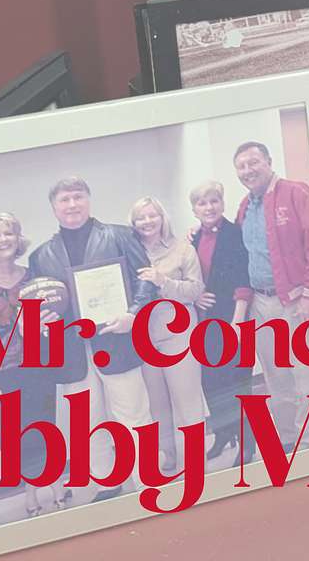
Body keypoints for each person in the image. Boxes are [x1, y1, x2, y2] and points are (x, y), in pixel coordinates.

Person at [28, 176, 153, 500]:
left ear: (88, 199)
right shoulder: (40, 256)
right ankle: (107, 483)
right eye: (64, 199)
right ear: (54, 207)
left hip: (116, 340)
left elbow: (147, 280)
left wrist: (133, 314)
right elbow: (37, 305)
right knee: (87, 423)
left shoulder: (121, 236)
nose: (72, 204)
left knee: (133, 415)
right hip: (72, 350)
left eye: (78, 197)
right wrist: (42, 319)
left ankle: (145, 480)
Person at [232, 140, 309, 446]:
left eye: (253, 163)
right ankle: (289, 439)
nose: (248, 170)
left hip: (297, 300)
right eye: (241, 166)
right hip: (260, 304)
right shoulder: (244, 207)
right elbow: (239, 255)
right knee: (276, 377)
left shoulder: (297, 193)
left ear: (269, 162)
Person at [0, 212, 67, 516]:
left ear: (18, 238)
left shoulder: (33, 277)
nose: (4, 240)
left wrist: (49, 323)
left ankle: (56, 485)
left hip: (37, 367)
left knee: (45, 429)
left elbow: (53, 320)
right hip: (0, 374)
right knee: (13, 439)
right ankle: (30, 490)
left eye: (9, 233)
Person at [129, 197, 208, 470]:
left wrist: (163, 281)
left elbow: (195, 290)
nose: (147, 222)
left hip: (179, 332)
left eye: (153, 215)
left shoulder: (183, 249)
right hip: (144, 335)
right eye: (140, 217)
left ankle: (194, 460)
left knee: (187, 400)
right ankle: (169, 454)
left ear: (162, 218)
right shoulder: (129, 251)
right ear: (133, 223)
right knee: (157, 404)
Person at [187, 181, 252, 461]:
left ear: (222, 204)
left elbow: (243, 279)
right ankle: (224, 434)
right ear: (194, 209)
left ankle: (248, 443)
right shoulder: (192, 239)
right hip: (206, 324)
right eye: (202, 203)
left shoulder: (235, 234)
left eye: (214, 201)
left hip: (234, 317)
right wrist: (196, 297)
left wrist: (237, 323)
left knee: (239, 383)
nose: (209, 207)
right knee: (212, 383)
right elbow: (192, 280)